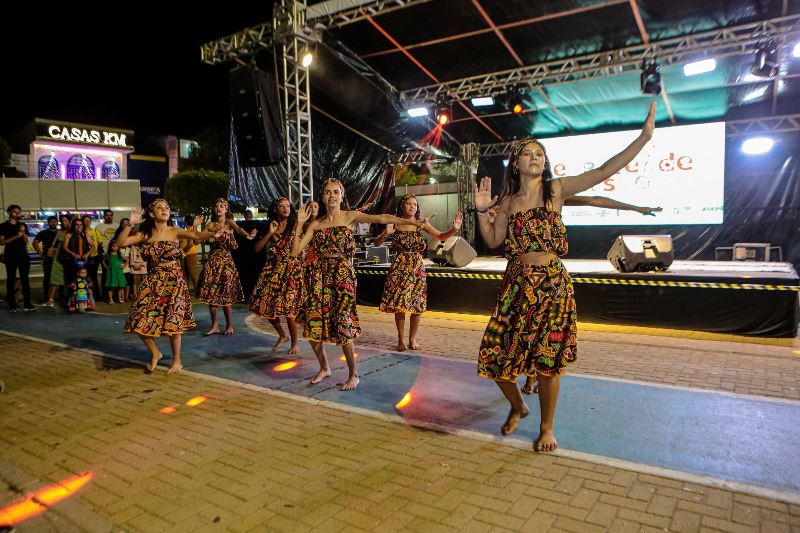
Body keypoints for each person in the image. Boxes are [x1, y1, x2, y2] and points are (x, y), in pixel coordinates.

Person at [474, 102, 656, 452]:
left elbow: (603, 171)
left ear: (545, 162)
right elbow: (494, 240)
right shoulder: (508, 201)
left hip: (552, 285)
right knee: (494, 356)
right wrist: (483, 211)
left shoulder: (555, 190)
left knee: (548, 362)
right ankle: (518, 406)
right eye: (527, 153)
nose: (535, 157)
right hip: (516, 286)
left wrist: (643, 138)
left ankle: (547, 428)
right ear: (516, 163)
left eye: (539, 153)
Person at [292, 178, 427, 391]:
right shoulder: (316, 224)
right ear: (323, 197)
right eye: (327, 192)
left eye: (336, 192)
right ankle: (324, 367)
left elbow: (382, 217)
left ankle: (353, 374)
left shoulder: (350, 215)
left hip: (343, 275)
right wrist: (300, 224)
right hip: (319, 276)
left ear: (341, 196)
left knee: (343, 322)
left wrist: (410, 222)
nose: (331, 196)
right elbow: (295, 251)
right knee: (313, 322)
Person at [117, 199, 213, 374]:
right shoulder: (145, 234)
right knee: (138, 318)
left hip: (174, 280)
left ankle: (177, 361)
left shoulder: (175, 231)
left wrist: (205, 228)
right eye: (159, 207)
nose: (164, 210)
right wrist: (130, 223)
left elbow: (198, 237)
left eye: (167, 207)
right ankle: (156, 353)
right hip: (153, 279)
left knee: (173, 321)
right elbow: (121, 243)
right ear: (151, 213)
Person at [374, 194, 463, 351]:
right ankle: (401, 339)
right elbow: (376, 243)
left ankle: (412, 339)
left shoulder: (421, 223)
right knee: (400, 304)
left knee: (417, 303)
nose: (412, 206)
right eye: (408, 203)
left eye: (414, 204)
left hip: (417, 268)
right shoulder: (395, 223)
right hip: (400, 267)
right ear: (402, 206)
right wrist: (385, 233)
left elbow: (441, 236)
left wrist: (454, 229)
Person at [250, 198, 304, 354]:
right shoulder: (270, 225)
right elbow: (257, 248)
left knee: (289, 311)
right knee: (265, 306)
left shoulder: (295, 225)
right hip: (272, 271)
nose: (285, 208)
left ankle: (294, 343)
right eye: (281, 206)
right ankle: (282, 335)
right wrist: (270, 233)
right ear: (275, 209)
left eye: (287, 206)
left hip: (291, 271)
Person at [197, 198, 255, 336]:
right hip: (212, 263)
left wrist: (248, 236)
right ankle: (215, 326)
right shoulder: (211, 224)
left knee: (226, 295)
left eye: (222, 206)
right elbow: (199, 239)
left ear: (226, 209)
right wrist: (200, 229)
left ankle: (229, 326)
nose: (219, 208)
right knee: (211, 296)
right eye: (216, 206)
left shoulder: (229, 223)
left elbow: (239, 230)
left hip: (226, 263)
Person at [0, 205, 36, 311]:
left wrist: (24, 234)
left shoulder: (22, 225)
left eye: (18, 212)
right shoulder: (3, 226)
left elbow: (25, 241)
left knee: (25, 279)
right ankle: (12, 305)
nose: (17, 213)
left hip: (23, 255)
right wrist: (17, 235)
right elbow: (2, 242)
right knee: (11, 279)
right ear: (9, 213)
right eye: (14, 211)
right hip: (10, 255)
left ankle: (27, 303)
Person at [43, 215, 72, 307]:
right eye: (62, 221)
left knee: (69, 278)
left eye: (65, 220)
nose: (63, 222)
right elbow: (53, 244)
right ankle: (51, 299)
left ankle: (70, 298)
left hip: (69, 256)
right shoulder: (60, 232)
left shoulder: (73, 232)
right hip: (58, 256)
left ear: (70, 222)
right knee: (55, 277)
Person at [33, 216, 59, 301]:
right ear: (48, 223)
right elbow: (35, 242)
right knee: (47, 277)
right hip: (48, 259)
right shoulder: (43, 233)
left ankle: (55, 296)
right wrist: (40, 254)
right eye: (51, 221)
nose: (53, 223)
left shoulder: (60, 232)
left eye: (54, 221)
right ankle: (46, 296)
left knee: (58, 277)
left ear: (57, 222)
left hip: (59, 258)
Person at [95, 209, 117, 293]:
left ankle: (116, 293)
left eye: (110, 215)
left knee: (116, 273)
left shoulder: (117, 226)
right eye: (107, 215)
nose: (109, 217)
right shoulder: (98, 227)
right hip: (104, 253)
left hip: (115, 253)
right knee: (105, 274)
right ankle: (105, 293)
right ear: (103, 216)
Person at [82, 215, 103, 292]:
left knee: (93, 275)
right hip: (84, 256)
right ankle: (85, 292)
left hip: (94, 256)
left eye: (89, 220)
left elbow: (100, 241)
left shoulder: (95, 231)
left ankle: (95, 293)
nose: (87, 222)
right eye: (85, 220)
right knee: (84, 275)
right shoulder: (81, 232)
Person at [180, 215, 201, 291]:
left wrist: (183, 252)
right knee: (187, 273)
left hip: (189, 254)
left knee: (192, 273)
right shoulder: (190, 229)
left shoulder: (190, 230)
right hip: (188, 254)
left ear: (186, 221)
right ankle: (187, 290)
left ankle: (198, 291)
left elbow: (191, 244)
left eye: (185, 221)